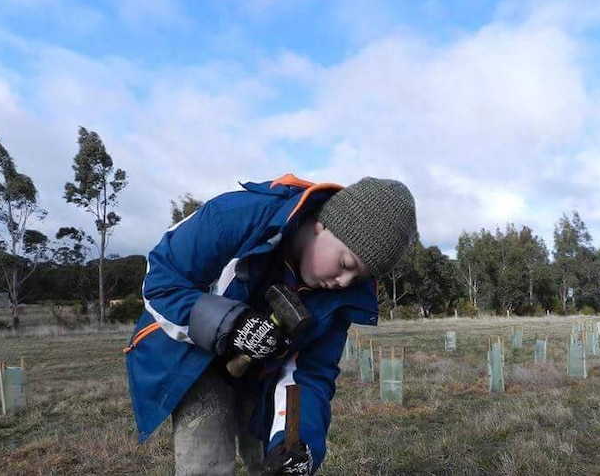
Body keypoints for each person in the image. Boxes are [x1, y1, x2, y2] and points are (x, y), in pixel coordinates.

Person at [125, 173, 417, 475]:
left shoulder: (338, 301)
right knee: (206, 462)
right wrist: (230, 324)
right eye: (345, 265)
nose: (343, 282)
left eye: (357, 279)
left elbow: (311, 374)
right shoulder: (238, 217)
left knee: (270, 461)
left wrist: (297, 443)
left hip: (260, 374)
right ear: (323, 225)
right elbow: (163, 281)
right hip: (192, 353)